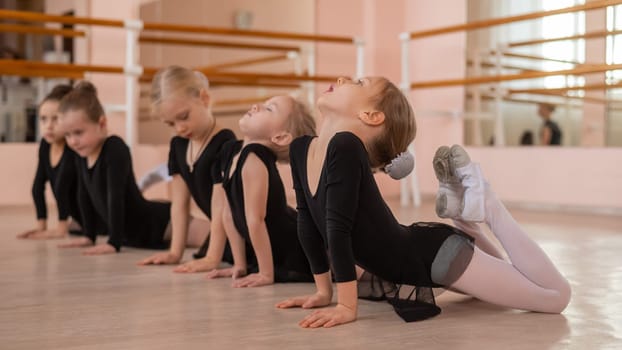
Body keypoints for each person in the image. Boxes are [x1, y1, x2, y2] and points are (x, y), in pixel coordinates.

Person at [276, 77, 571, 328]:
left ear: (371, 116)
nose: (341, 79)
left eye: (358, 81)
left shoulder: (346, 145)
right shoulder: (302, 148)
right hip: (419, 256)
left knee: (557, 297)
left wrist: (346, 307)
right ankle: (464, 219)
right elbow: (308, 225)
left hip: (435, 258)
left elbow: (337, 231)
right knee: (502, 279)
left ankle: (488, 206)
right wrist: (323, 292)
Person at [205, 95, 316, 287]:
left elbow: (256, 219)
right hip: (273, 246)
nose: (256, 106)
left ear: (280, 137)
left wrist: (266, 273)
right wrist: (240, 265)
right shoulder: (232, 150)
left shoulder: (254, 156)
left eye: (269, 109)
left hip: (294, 246)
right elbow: (229, 213)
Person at [138, 66, 236, 270]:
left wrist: (212, 258)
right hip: (223, 234)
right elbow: (179, 204)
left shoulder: (225, 142)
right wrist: (175, 252)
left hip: (247, 231)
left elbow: (222, 208)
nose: (179, 128)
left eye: (183, 117)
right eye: (170, 123)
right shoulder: (178, 146)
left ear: (204, 98)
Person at [56, 82, 171, 255]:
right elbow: (83, 195)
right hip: (131, 235)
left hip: (159, 224)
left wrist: (113, 242)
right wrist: (89, 235)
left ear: (102, 123)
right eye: (67, 135)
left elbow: (115, 196)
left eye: (78, 133)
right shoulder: (82, 155)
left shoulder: (114, 148)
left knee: (217, 236)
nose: (72, 141)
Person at [17, 84, 86, 240]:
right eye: (43, 119)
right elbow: (37, 187)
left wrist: (61, 228)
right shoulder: (45, 145)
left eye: (56, 119)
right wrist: (40, 226)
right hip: (76, 220)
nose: (48, 126)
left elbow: (62, 187)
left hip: (94, 218)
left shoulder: (73, 147)